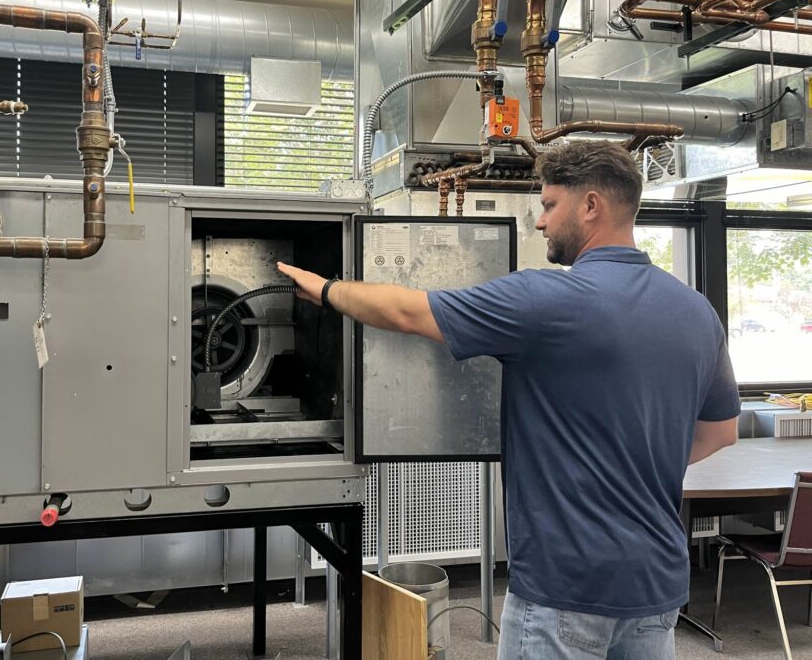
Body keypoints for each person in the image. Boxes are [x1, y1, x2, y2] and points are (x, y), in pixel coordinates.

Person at [278, 140, 739, 660]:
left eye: (548, 205)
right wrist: (635, 457)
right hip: (657, 584)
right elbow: (721, 432)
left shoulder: (545, 300)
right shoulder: (697, 312)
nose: (540, 223)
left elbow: (409, 312)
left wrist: (325, 289)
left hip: (565, 584)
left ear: (591, 206)